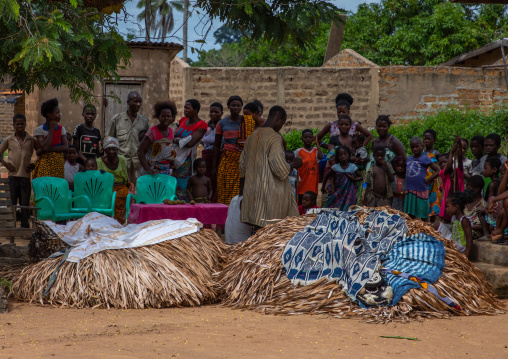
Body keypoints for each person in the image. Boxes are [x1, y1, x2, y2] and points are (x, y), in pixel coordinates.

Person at [239, 106, 303, 228]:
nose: (281, 127)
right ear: (278, 119)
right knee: (272, 234)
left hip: (252, 195)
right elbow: (280, 169)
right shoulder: (274, 137)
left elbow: (242, 167)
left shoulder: (251, 137)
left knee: (257, 233)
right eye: (282, 123)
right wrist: (294, 164)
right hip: (269, 196)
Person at [214, 96, 256, 205]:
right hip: (228, 161)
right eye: (233, 105)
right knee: (225, 189)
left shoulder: (249, 121)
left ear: (242, 107)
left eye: (238, 105)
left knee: (240, 192)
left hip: (244, 161)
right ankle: (224, 217)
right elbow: (217, 146)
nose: (235, 108)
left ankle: (237, 218)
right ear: (228, 106)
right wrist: (214, 167)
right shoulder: (222, 123)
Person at [0, 114, 37, 228]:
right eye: (17, 124)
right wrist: (6, 164)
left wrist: (34, 164)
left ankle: (24, 227)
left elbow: (40, 152)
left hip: (25, 176)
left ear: (25, 124)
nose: (20, 126)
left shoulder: (31, 140)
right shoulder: (9, 140)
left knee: (25, 204)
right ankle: (10, 227)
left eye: (22, 124)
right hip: (13, 176)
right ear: (14, 125)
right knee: (11, 204)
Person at [106, 91, 149, 184]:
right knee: (123, 191)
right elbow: (109, 141)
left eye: (140, 102)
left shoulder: (144, 121)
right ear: (128, 102)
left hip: (138, 164)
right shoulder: (117, 119)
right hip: (121, 164)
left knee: (138, 190)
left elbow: (147, 143)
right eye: (135, 101)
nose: (138, 104)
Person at [174, 99, 208, 201]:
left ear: (196, 109)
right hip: (174, 159)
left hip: (186, 162)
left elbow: (190, 143)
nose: (185, 110)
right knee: (173, 187)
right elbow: (176, 136)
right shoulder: (183, 120)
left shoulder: (201, 125)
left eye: (188, 108)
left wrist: (175, 140)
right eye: (184, 107)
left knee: (184, 188)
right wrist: (179, 140)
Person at [404, 137, 439, 221]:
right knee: (410, 214)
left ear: (422, 146)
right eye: (412, 147)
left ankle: (425, 230)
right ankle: (412, 230)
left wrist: (428, 180)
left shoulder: (425, 158)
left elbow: (438, 170)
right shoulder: (409, 158)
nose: (414, 149)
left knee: (423, 213)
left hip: (420, 189)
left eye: (417, 146)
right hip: (409, 189)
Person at [137, 101, 177, 175]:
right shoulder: (152, 132)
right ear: (158, 116)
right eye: (163, 116)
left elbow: (168, 150)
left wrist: (173, 165)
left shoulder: (171, 131)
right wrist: (148, 169)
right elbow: (140, 151)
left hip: (166, 169)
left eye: (168, 116)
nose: (166, 118)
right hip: (153, 170)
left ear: (172, 117)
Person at [32, 98, 69, 179]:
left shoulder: (61, 129)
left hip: (58, 165)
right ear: (49, 114)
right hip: (45, 165)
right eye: (57, 113)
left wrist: (47, 149)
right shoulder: (39, 130)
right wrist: (51, 130)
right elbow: (45, 147)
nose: (60, 115)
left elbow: (65, 147)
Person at [97, 137, 130, 223]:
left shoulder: (122, 159)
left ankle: (120, 221)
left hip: (121, 186)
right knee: (109, 197)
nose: (111, 152)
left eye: (114, 149)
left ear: (117, 150)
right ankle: (109, 221)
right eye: (109, 149)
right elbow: (98, 180)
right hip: (106, 188)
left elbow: (125, 177)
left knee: (129, 196)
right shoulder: (99, 162)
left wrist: (128, 185)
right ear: (105, 150)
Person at [321, 145, 362, 210]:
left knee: (347, 206)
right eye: (340, 155)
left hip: (349, 192)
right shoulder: (335, 167)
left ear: (348, 155)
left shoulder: (352, 167)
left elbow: (361, 177)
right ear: (337, 157)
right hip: (338, 191)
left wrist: (354, 179)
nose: (343, 156)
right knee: (335, 204)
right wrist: (323, 187)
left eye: (345, 154)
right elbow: (327, 175)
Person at [439, 137, 465, 221]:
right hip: (448, 201)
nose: (443, 164)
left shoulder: (458, 171)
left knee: (458, 218)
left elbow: (460, 159)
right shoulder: (443, 173)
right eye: (441, 163)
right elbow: (449, 166)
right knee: (447, 219)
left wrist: (459, 147)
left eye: (445, 162)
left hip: (459, 200)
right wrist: (451, 152)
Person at [295, 129, 323, 204]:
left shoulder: (316, 151)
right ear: (302, 139)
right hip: (302, 184)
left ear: (313, 139)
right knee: (301, 204)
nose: (308, 139)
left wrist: (317, 143)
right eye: (305, 137)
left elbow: (320, 157)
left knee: (312, 205)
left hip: (312, 184)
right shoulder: (298, 151)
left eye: (310, 137)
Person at [202, 102, 223, 200]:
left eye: (216, 112)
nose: (213, 114)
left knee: (216, 181)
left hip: (218, 157)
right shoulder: (207, 126)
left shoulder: (223, 126)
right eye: (211, 112)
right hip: (206, 158)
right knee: (206, 181)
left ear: (221, 113)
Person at [443, 191, 474, 258]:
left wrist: (466, 257)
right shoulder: (454, 218)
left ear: (456, 207)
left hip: (459, 248)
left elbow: (469, 239)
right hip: (454, 245)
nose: (446, 209)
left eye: (447, 207)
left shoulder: (464, 220)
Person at [422, 129, 442, 221]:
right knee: (423, 204)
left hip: (433, 182)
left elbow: (439, 168)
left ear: (434, 140)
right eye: (424, 138)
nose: (426, 140)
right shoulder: (421, 152)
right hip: (423, 181)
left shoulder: (436, 153)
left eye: (428, 139)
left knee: (433, 203)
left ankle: (433, 226)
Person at [464, 175, 489, 239]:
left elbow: (483, 225)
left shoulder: (482, 205)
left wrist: (467, 226)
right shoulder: (466, 201)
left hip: (474, 232)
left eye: (468, 188)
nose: (466, 190)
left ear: (477, 189)